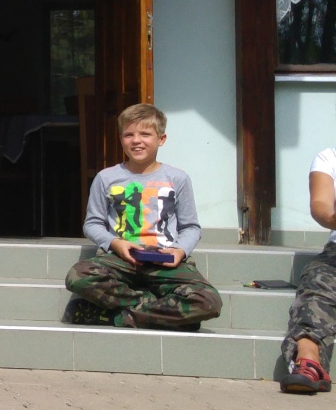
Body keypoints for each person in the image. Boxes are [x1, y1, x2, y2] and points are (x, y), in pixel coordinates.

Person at [64, 104, 223, 330]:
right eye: (128, 134)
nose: (136, 141)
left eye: (145, 134)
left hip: (164, 261)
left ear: (161, 139)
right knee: (78, 276)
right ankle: (165, 312)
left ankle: (117, 317)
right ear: (121, 139)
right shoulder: (106, 178)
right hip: (120, 259)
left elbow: (191, 227)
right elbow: (92, 223)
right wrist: (115, 243)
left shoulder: (178, 178)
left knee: (208, 302)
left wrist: (179, 251)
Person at [280, 95, 336, 393]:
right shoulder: (329, 158)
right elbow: (320, 205)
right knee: (317, 281)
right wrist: (334, 219)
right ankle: (308, 361)